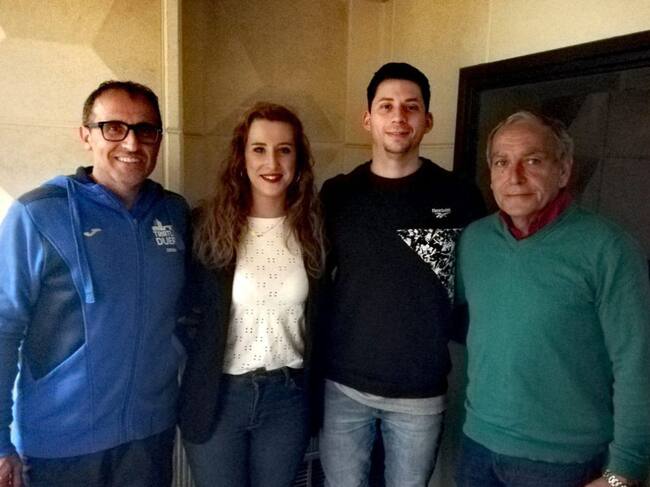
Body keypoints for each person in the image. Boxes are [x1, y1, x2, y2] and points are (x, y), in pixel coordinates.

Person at [0, 81, 190, 487]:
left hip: (149, 436)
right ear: (86, 135)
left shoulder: (174, 213)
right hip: (59, 443)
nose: (132, 143)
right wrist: (0, 441)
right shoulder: (38, 214)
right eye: (113, 128)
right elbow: (3, 329)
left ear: (158, 139)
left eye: (145, 130)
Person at [455, 110, 650, 487]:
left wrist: (623, 472)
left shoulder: (608, 249)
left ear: (563, 171)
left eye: (532, 160)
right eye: (502, 162)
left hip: (563, 462)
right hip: (477, 446)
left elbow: (637, 363)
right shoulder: (475, 241)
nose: (514, 177)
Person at [318, 62, 484, 486]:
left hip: (420, 392)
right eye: (386, 106)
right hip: (344, 386)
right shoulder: (337, 195)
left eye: (411, 107)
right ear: (367, 119)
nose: (398, 117)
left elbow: (483, 285)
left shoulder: (460, 196)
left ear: (428, 120)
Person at [178, 102, 325, 487]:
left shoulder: (315, 230)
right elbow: (183, 310)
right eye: (259, 149)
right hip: (218, 398)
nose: (272, 162)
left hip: (286, 400)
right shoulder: (206, 225)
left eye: (284, 149)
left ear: (298, 160)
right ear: (241, 158)